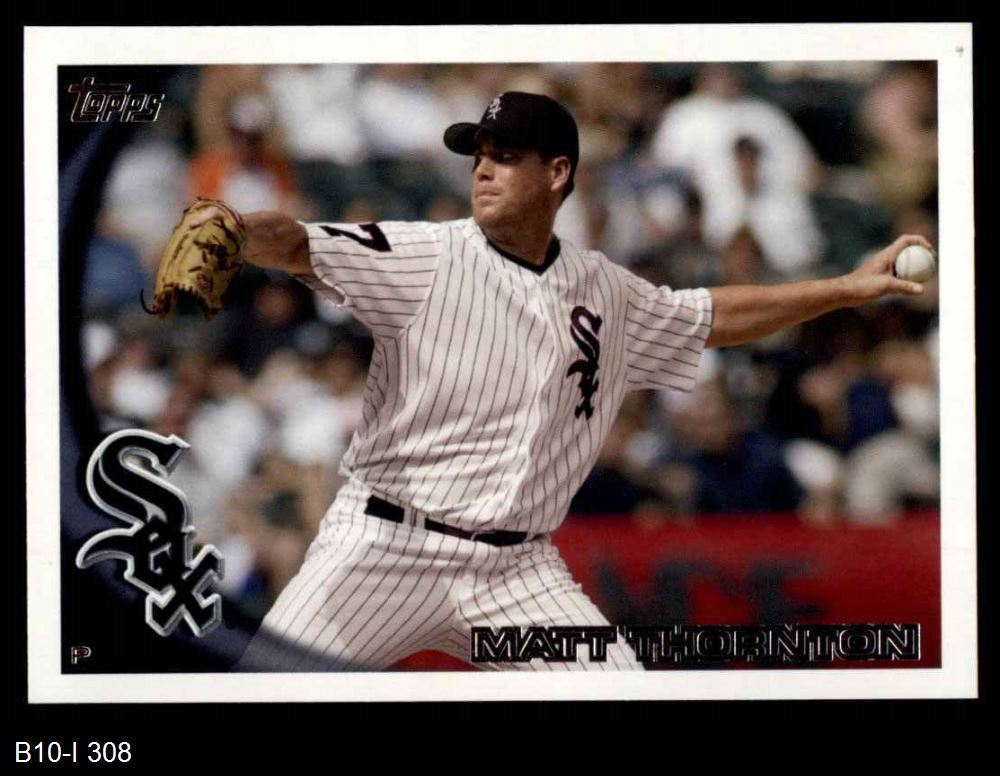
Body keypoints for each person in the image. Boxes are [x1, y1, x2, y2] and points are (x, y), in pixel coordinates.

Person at [192, 92, 932, 671]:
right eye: (478, 155)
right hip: (384, 546)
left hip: (517, 571)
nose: (482, 169)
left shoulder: (606, 289)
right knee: (270, 689)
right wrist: (232, 228)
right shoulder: (424, 255)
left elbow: (713, 316)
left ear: (557, 174)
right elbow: (297, 244)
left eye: (505, 155)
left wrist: (844, 287)